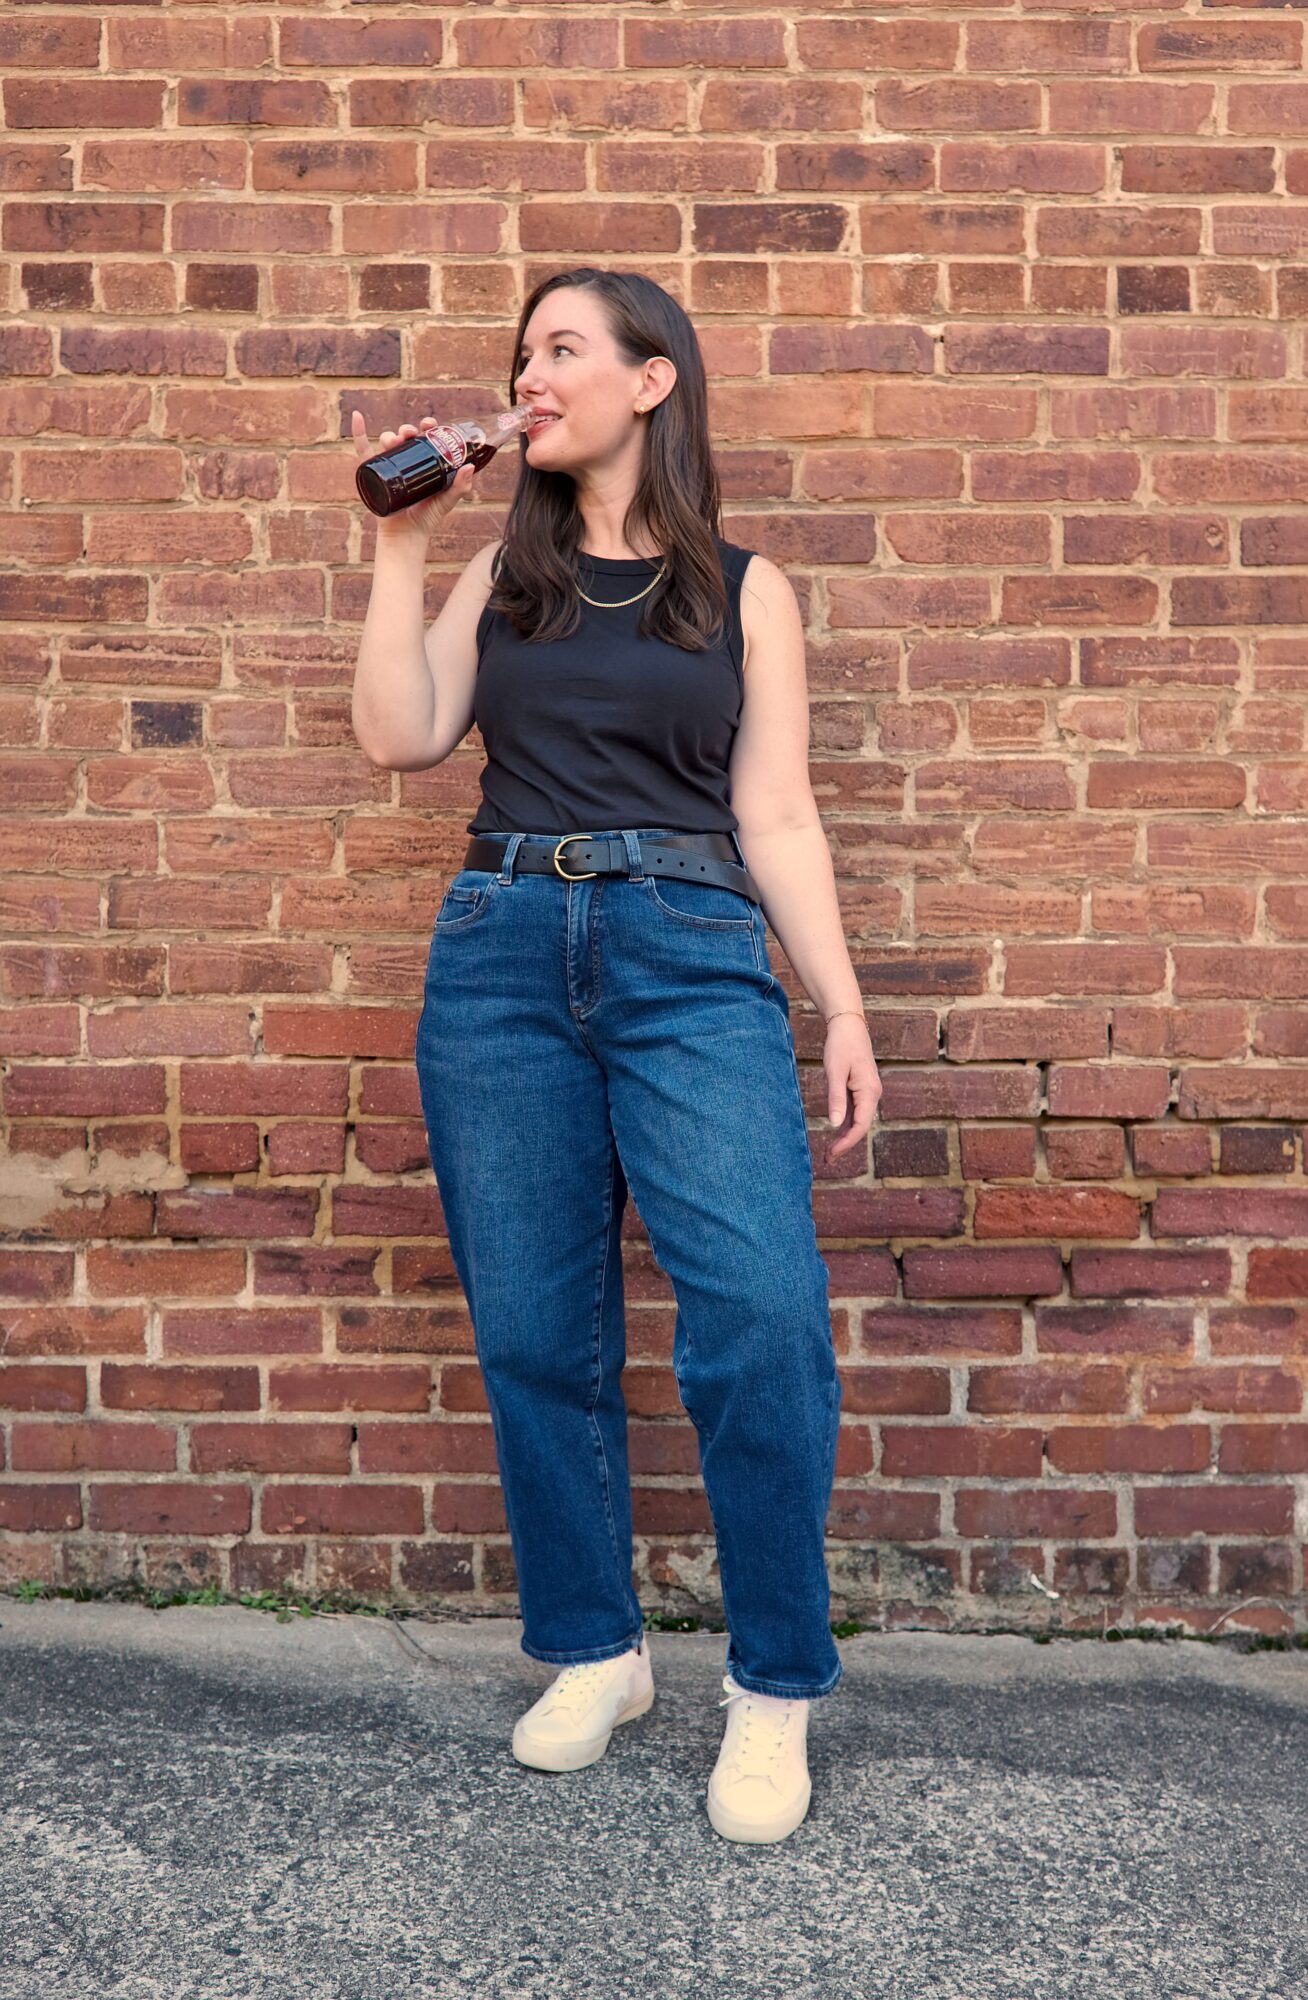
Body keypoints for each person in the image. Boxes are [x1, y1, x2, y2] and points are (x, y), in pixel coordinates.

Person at [350, 267, 882, 1844]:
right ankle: (596, 1653)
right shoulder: (499, 582)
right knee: (534, 1329)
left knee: (761, 1320)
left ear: (651, 383)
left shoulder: (740, 584)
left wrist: (839, 1002)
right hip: (502, 950)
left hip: (691, 955)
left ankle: (775, 1686)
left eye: (564, 349)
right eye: (522, 354)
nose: (532, 375)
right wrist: (399, 546)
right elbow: (399, 734)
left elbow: (775, 809)